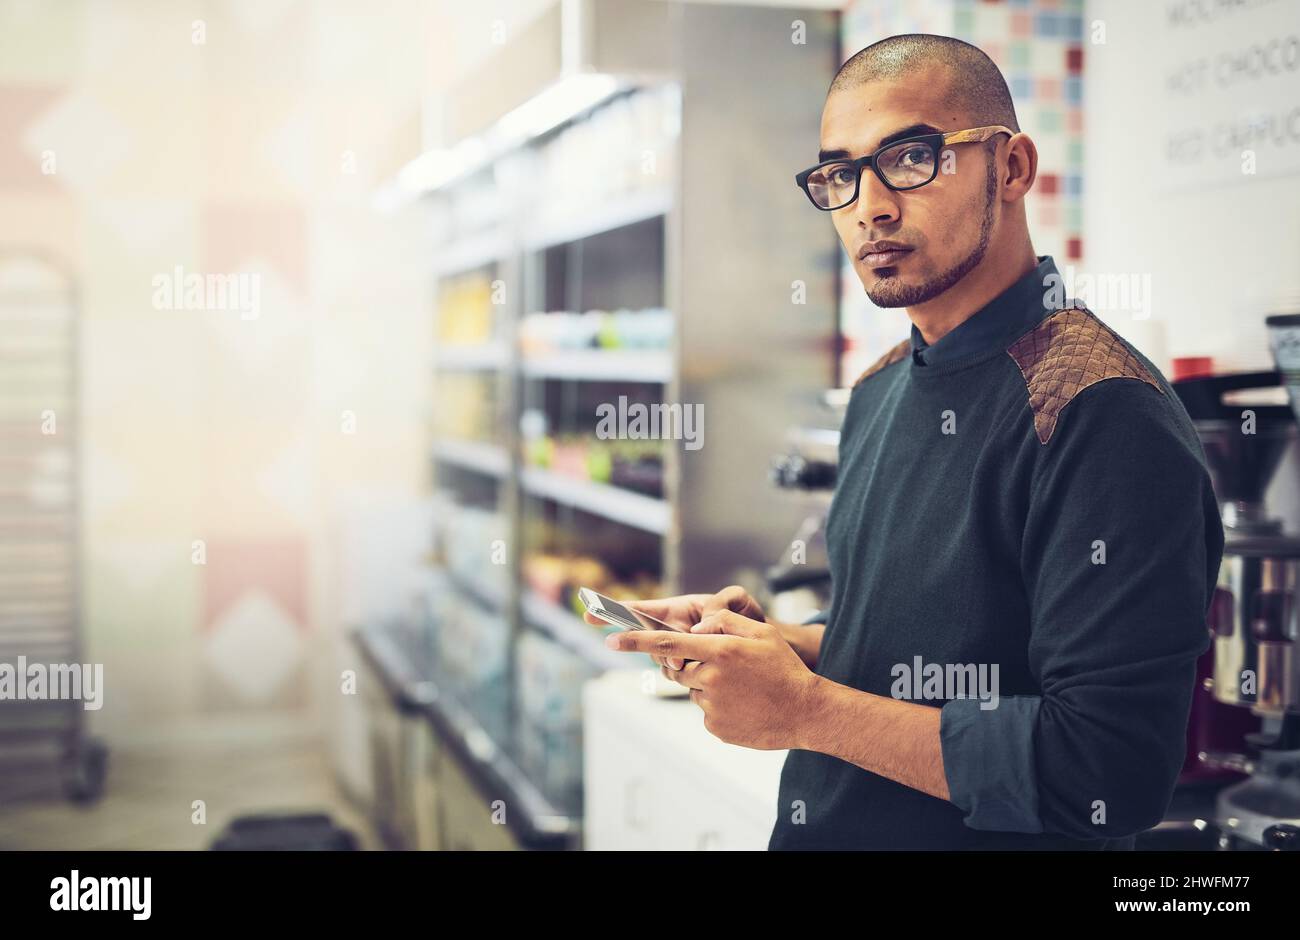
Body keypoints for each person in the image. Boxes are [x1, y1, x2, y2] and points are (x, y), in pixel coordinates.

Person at [593, 33, 1224, 850]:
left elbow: (1108, 772)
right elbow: (932, 647)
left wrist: (807, 711)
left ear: (1013, 167)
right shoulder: (881, 387)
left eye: (912, 158)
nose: (870, 205)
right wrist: (784, 648)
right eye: (841, 174)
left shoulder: (1100, 411)